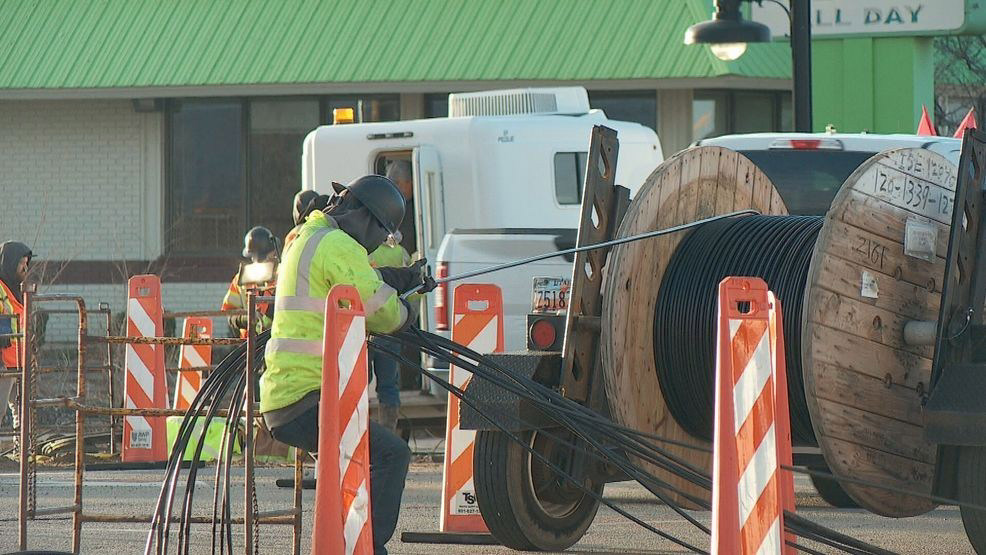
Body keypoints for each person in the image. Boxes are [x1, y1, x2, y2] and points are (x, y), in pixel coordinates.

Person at [262, 175, 432, 555]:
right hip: (308, 400)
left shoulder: (309, 237)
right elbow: (380, 310)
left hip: (288, 395)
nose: (379, 244)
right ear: (368, 219)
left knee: (355, 469)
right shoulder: (338, 245)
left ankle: (355, 542)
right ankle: (366, 547)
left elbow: (360, 281)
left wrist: (404, 277)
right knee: (392, 455)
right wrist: (408, 310)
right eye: (385, 235)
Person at [367, 233, 413, 433]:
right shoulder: (401, 253)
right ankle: (388, 432)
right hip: (392, 326)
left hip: (366, 325)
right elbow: (412, 288)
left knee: (357, 383)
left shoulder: (363, 250)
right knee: (388, 385)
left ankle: (358, 433)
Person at [221, 227, 278, 338]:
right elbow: (230, 313)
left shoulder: (282, 275)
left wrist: (269, 311)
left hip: (275, 341)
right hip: (249, 346)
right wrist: (246, 319)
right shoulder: (241, 279)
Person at [0, 242, 31, 435]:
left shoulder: (15, 289)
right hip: (3, 362)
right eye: (22, 263)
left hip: (17, 361)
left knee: (21, 410)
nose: (25, 268)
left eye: (27, 263)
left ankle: (21, 451)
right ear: (10, 263)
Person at [385, 160, 416, 253]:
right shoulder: (388, 208)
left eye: (409, 182)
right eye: (396, 183)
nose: (408, 186)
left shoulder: (415, 205)